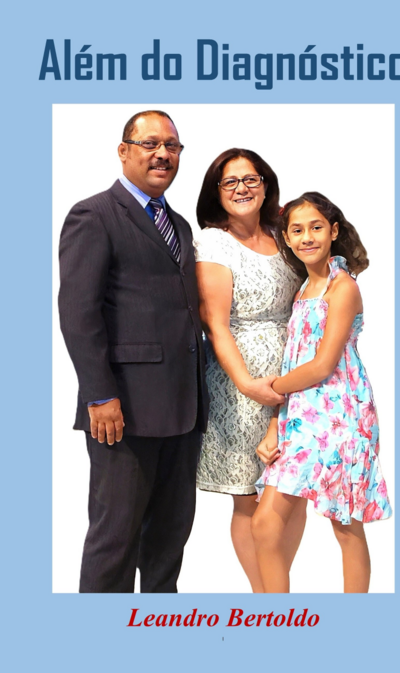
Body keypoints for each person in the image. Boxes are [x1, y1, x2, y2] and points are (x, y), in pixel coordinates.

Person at [58, 110, 208, 593]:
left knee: (168, 541)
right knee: (115, 541)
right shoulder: (94, 215)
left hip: (183, 410)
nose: (163, 154)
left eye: (172, 146)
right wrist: (99, 395)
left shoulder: (179, 225)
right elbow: (78, 314)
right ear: (123, 151)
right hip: (123, 411)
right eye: (150, 144)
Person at [253, 192, 392, 593]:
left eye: (316, 227)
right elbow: (292, 360)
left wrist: (269, 389)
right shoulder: (303, 289)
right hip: (301, 416)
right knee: (265, 525)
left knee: (345, 524)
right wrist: (275, 424)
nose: (307, 237)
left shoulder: (342, 287)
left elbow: (322, 364)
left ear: (333, 231)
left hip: (341, 414)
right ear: (287, 238)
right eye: (297, 230)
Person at [193, 148, 302, 593]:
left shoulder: (284, 233)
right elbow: (215, 325)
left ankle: (279, 589)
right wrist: (246, 384)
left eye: (251, 179)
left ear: (265, 184)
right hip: (241, 384)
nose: (242, 188)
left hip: (297, 376)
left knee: (293, 490)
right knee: (249, 495)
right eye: (230, 181)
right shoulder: (213, 242)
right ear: (217, 192)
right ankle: (268, 600)